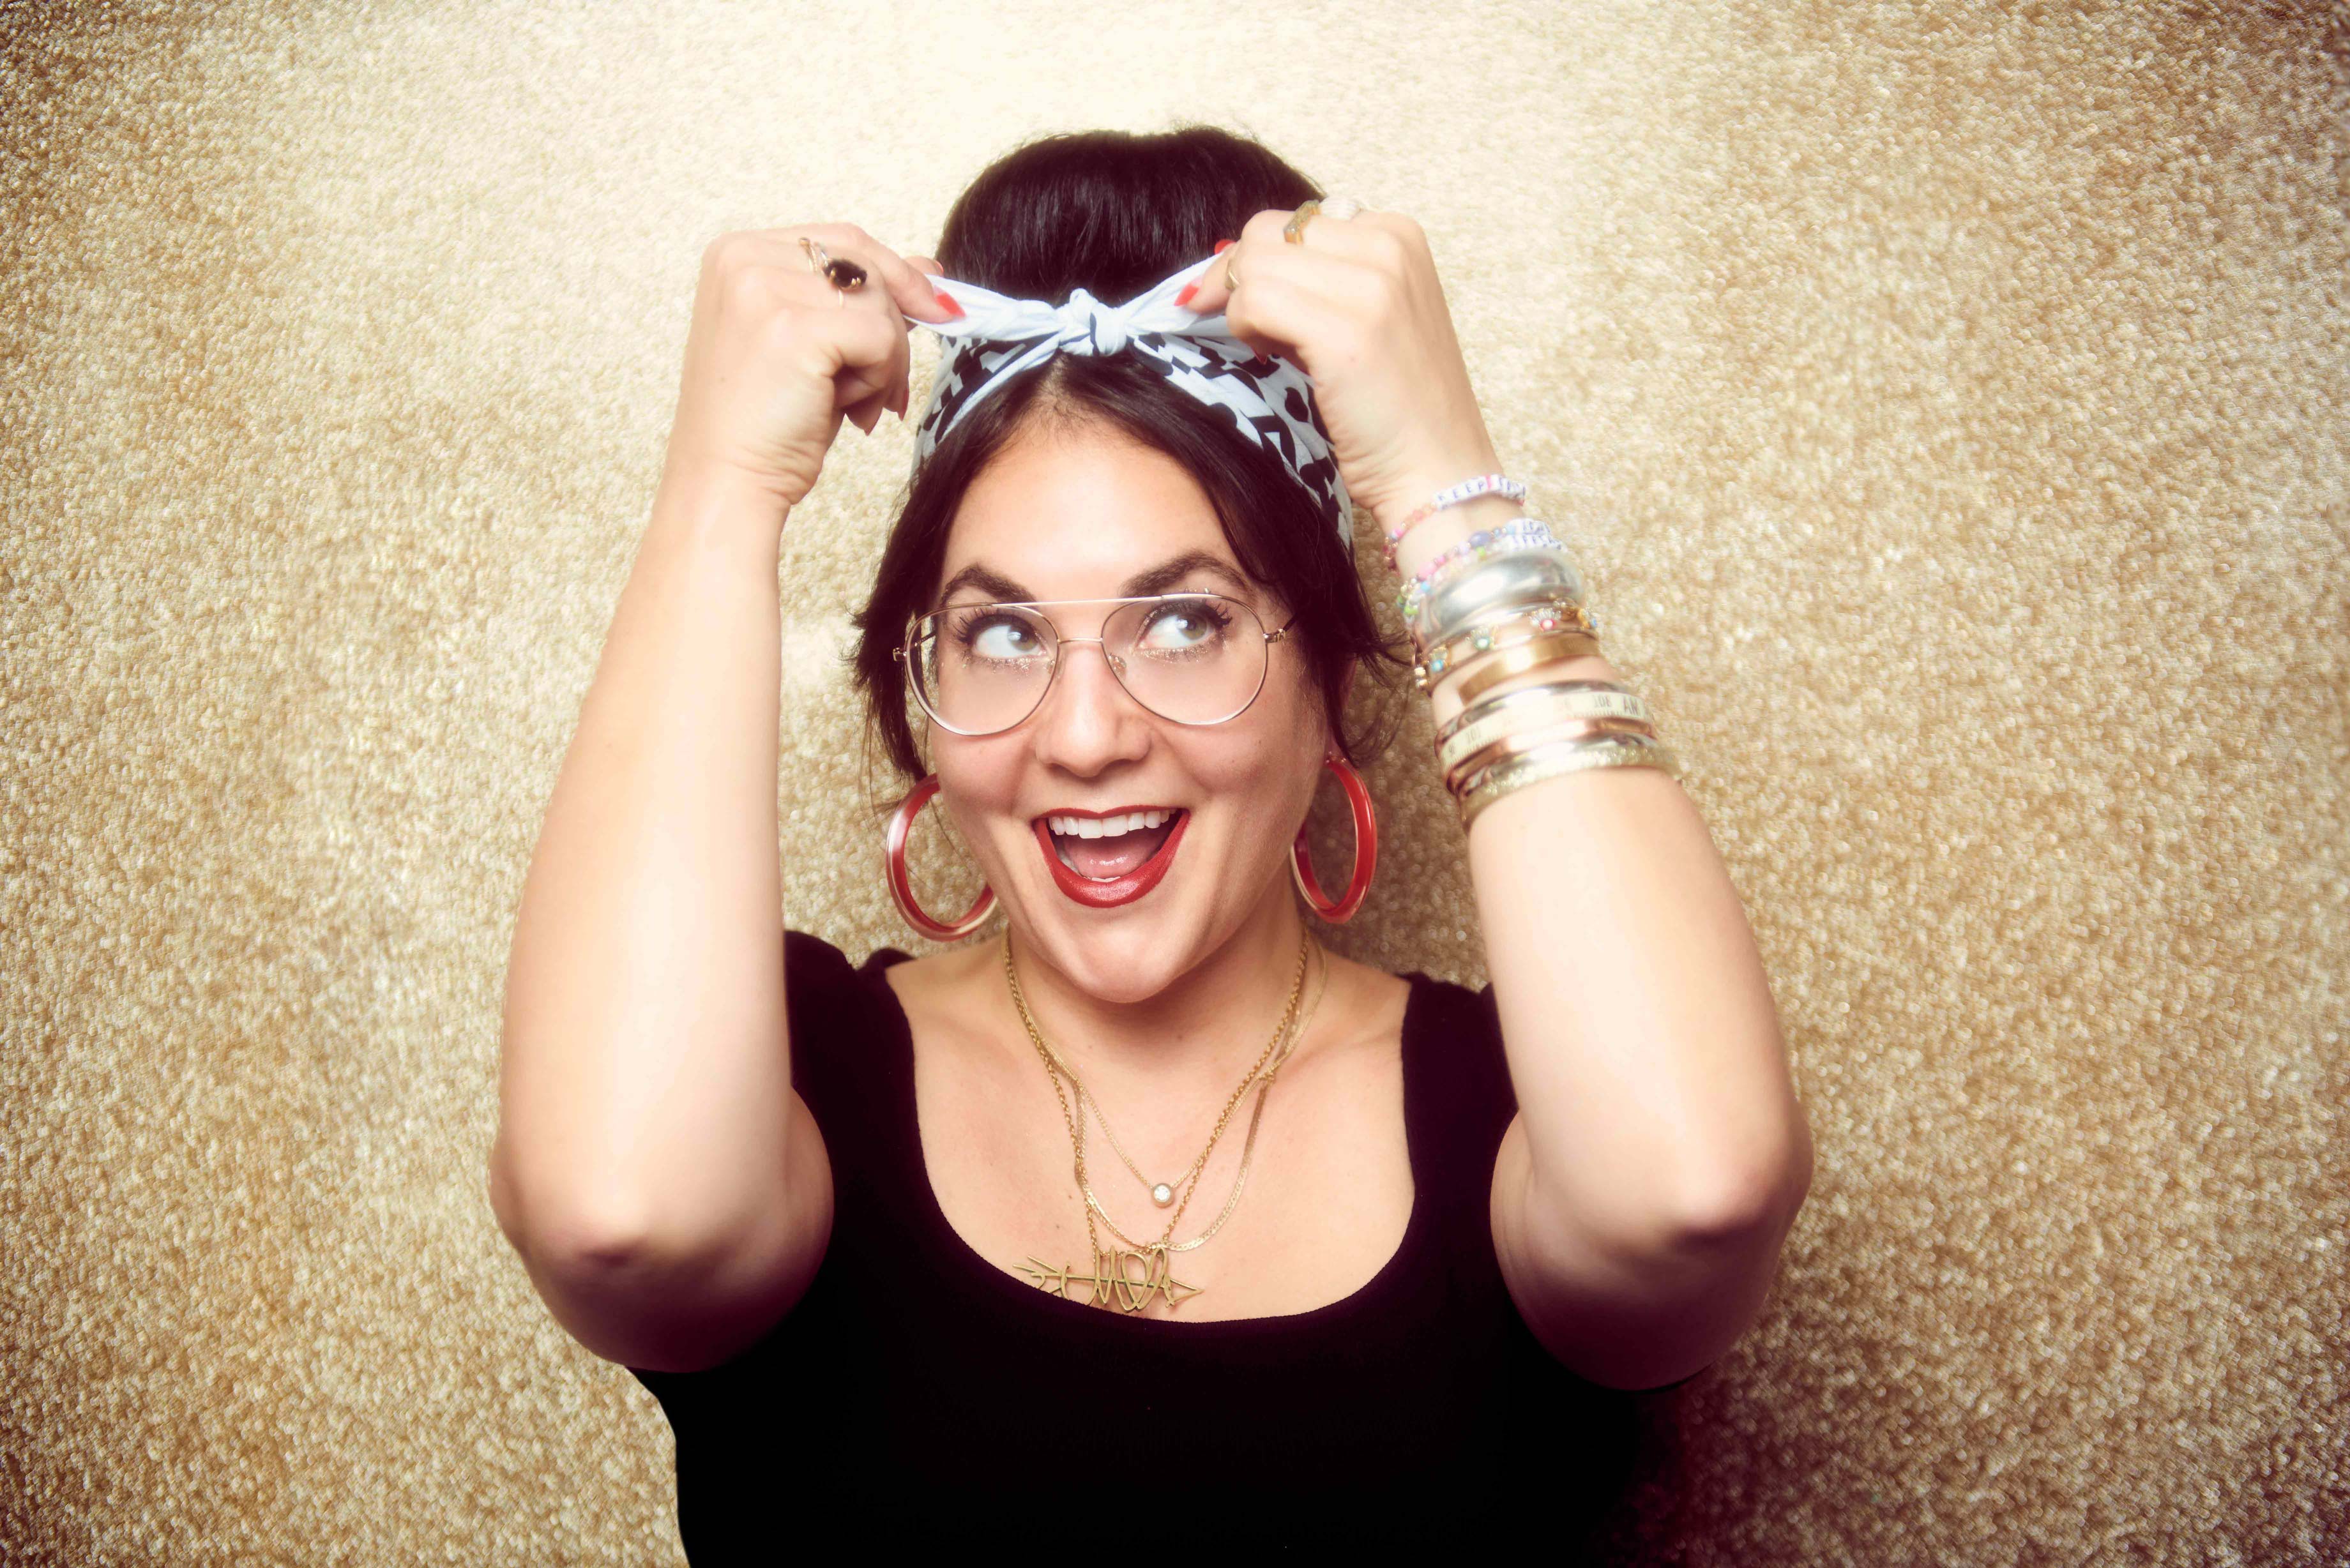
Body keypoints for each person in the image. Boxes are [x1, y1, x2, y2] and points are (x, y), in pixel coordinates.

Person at [490, 126, 1814, 1551]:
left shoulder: (1537, 1110)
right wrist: (718, 491)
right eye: (999, 634)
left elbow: (1693, 1193)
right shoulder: (775, 1076)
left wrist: (1443, 475)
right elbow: (618, 1218)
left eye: (1183, 622)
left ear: (1333, 683)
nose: (1082, 736)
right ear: (915, 690)